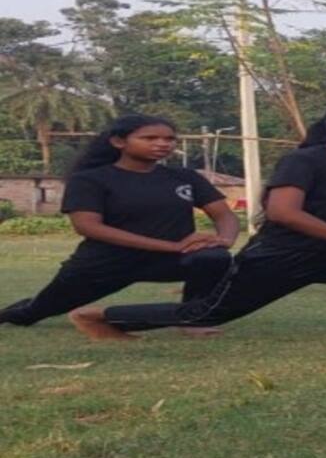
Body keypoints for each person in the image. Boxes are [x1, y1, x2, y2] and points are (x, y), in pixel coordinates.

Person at [70, 98, 326, 345]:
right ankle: (95, 316)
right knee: (207, 313)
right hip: (286, 255)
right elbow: (283, 213)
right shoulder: (306, 160)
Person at [1, 116, 237, 330]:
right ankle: (19, 312)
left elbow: (223, 215)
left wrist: (223, 239)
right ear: (118, 142)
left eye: (169, 139)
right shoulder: (90, 179)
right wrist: (171, 246)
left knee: (213, 258)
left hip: (169, 260)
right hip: (106, 263)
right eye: (150, 138)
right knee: (34, 312)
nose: (163, 144)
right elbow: (88, 226)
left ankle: (192, 319)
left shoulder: (185, 177)